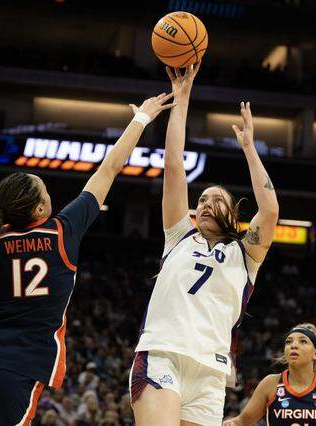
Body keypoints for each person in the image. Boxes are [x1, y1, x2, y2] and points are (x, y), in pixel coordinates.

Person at [0, 92, 175, 426]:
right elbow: (110, 167)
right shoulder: (63, 230)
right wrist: (141, 119)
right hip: (17, 367)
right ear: (40, 209)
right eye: (46, 191)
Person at [130, 63, 279, 425]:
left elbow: (271, 209)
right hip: (163, 354)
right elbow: (174, 165)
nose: (206, 203)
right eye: (203, 200)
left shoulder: (245, 257)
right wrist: (182, 99)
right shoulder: (179, 235)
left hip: (211, 373)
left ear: (232, 214)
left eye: (217, 200)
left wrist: (248, 147)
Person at [222, 323, 316, 426]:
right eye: (289, 341)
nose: (293, 345)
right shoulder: (270, 384)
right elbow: (242, 421)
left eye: (303, 341)